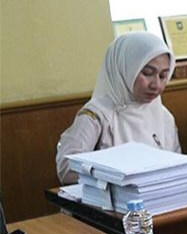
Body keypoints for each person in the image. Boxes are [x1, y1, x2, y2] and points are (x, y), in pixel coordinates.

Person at [56, 32, 179, 185]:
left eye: (163, 76)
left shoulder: (164, 116)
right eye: (147, 73)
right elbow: (67, 169)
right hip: (111, 197)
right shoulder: (97, 115)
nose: (156, 85)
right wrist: (111, 177)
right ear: (125, 69)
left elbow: (178, 165)